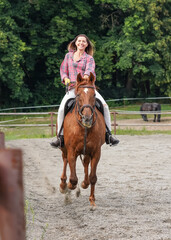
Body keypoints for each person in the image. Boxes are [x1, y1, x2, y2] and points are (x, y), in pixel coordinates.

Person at [51, 34, 119, 148]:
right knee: (62, 108)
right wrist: (65, 78)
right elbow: (63, 70)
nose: (81, 43)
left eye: (84, 41)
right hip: (73, 89)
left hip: (87, 88)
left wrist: (86, 77)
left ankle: (108, 134)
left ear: (87, 44)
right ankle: (60, 136)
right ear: (75, 42)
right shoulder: (68, 56)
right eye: (79, 41)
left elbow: (89, 70)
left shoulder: (89, 58)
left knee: (105, 106)